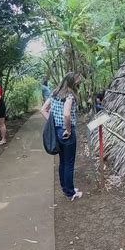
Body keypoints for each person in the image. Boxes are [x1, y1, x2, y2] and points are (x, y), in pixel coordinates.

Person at [41, 72, 83, 201]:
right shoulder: (69, 96)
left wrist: (53, 124)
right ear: (72, 82)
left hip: (57, 131)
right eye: (77, 81)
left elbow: (43, 109)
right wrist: (68, 130)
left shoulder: (55, 93)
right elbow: (66, 114)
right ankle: (70, 193)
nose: (79, 83)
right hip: (66, 133)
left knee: (63, 161)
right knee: (69, 163)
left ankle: (66, 188)